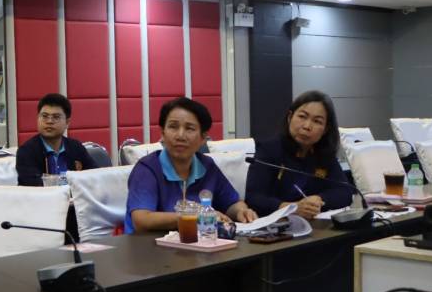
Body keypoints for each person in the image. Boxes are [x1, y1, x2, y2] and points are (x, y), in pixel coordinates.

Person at [125, 97, 258, 234]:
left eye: (189, 128)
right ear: (163, 133)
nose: (180, 135)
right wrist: (194, 216)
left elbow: (231, 203)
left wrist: (242, 211)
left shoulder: (207, 166)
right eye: (173, 127)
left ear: (203, 138)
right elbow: (142, 220)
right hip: (149, 245)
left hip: (196, 243)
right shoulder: (147, 169)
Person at [244, 90, 352, 219]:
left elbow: (345, 191)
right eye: (302, 117)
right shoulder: (269, 150)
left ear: (325, 129)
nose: (307, 126)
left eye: (317, 121)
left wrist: (319, 200)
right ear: (290, 117)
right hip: (275, 225)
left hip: (314, 225)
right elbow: (254, 198)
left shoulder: (323, 154)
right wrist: (291, 208)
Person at [16, 93, 97, 186]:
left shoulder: (76, 147)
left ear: (67, 122)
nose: (49, 121)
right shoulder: (27, 152)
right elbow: (34, 186)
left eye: (56, 117)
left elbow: (95, 177)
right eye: (44, 116)